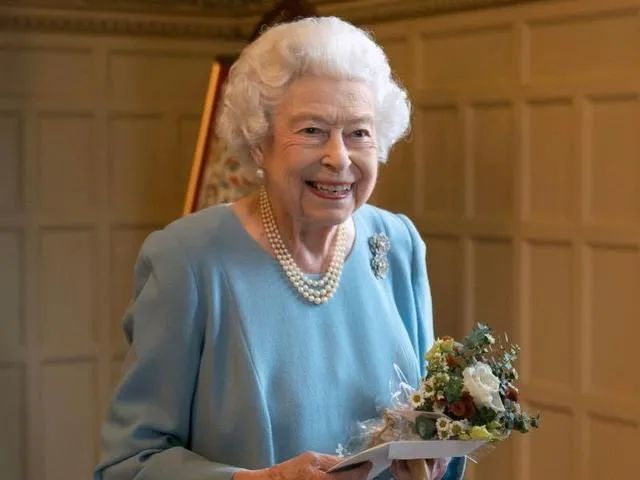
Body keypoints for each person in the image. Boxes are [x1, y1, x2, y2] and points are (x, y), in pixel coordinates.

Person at [94, 17, 465, 480]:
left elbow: (426, 420)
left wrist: (431, 454)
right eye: (312, 130)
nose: (339, 157)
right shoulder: (188, 259)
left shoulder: (397, 244)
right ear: (259, 143)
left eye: (359, 133)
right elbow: (130, 464)